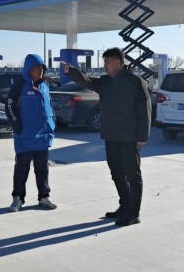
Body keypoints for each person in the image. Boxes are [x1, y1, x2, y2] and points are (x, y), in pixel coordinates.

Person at [62, 48, 151, 226]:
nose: (105, 66)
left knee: (132, 176)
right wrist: (71, 71)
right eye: (104, 62)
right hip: (111, 135)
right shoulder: (105, 82)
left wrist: (143, 135)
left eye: (107, 62)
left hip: (130, 136)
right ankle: (125, 206)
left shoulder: (135, 82)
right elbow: (87, 81)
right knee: (116, 173)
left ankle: (134, 213)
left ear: (118, 62)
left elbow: (145, 108)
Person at [5, 54, 57, 212]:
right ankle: (18, 198)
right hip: (25, 137)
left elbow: (49, 107)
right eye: (37, 68)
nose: (41, 71)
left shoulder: (44, 85)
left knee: (42, 169)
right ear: (29, 69)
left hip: (43, 136)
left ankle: (44, 197)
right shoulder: (19, 86)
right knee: (22, 169)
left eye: (42, 68)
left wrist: (52, 124)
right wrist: (18, 127)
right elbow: (9, 107)